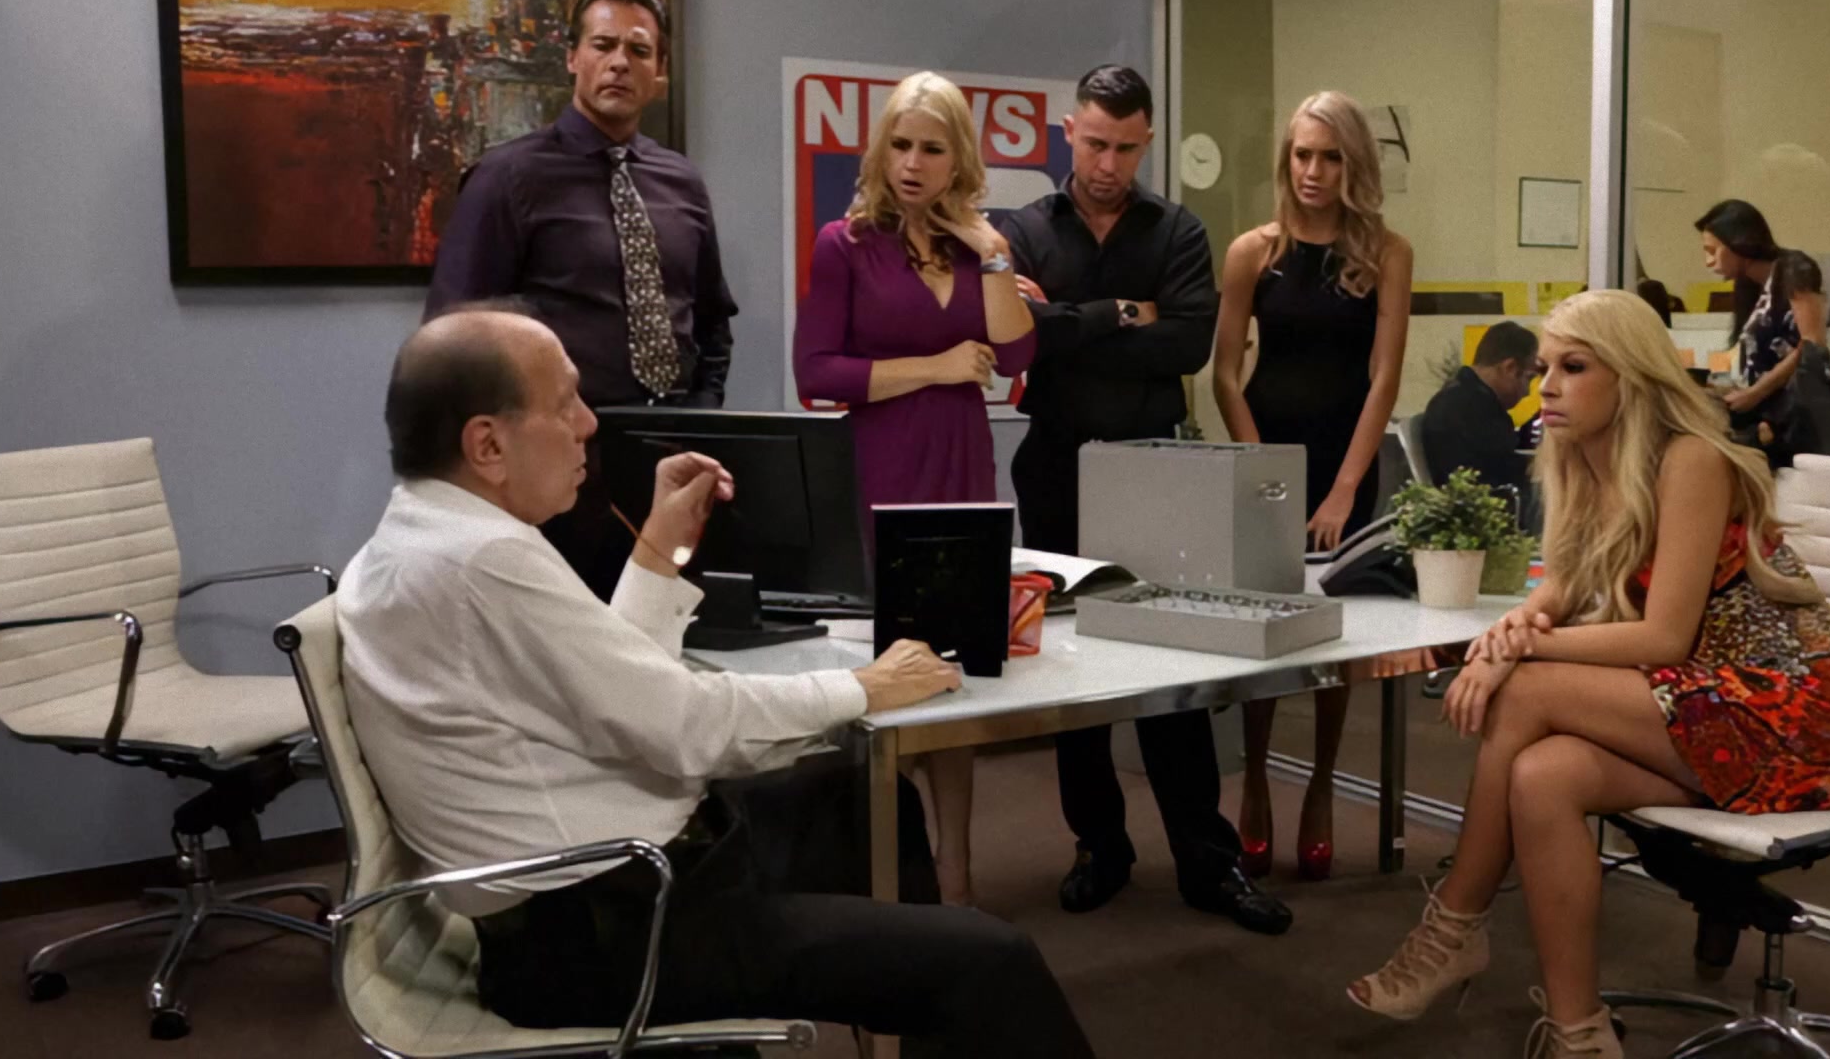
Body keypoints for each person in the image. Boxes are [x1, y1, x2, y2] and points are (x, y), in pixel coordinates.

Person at [338, 305, 1095, 1059]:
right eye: (564, 403)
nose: (587, 425)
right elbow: (685, 727)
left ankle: (906, 1001)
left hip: (600, 893)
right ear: (487, 444)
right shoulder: (481, 561)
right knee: (991, 960)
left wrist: (660, 550)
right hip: (615, 934)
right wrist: (866, 686)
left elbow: (615, 689)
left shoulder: (424, 538)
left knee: (863, 799)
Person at [1348, 289, 1830, 1058]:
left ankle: (1453, 927)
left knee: (1524, 688)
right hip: (1699, 708)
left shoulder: (1690, 460)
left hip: (1788, 714)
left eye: (1575, 367)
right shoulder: (1585, 463)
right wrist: (1517, 627)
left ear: (1631, 376)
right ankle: (1579, 1031)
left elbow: (1662, 637)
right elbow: (1564, 586)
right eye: (1544, 368)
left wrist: (1513, 653)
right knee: (1542, 777)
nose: (1548, 386)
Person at [999, 65, 1288, 934]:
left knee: (1173, 666)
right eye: (1095, 143)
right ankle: (1100, 848)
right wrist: (1126, 314)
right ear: (1068, 131)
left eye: (1126, 148)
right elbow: (1021, 342)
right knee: (1072, 671)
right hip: (1055, 465)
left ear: (1147, 142)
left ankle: (1208, 859)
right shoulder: (1022, 229)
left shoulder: (1179, 231)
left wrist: (1071, 322)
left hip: (1153, 471)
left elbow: (1189, 345)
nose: (1108, 164)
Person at [792, 71, 1036, 907]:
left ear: (957, 159)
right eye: (899, 145)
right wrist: (934, 366)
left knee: (954, 671)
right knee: (885, 674)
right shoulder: (844, 243)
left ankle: (957, 875)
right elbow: (816, 373)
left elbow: (1016, 354)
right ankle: (885, 881)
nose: (912, 163)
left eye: (932, 149)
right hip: (880, 468)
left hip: (963, 467)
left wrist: (991, 250)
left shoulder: (980, 248)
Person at [424, 0, 738, 598]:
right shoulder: (507, 178)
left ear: (659, 71)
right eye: (603, 44)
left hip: (669, 463)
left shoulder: (682, 182)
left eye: (638, 50)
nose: (620, 62)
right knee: (561, 643)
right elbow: (454, 342)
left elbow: (711, 322)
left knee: (667, 633)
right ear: (572, 57)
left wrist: (702, 414)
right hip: (555, 470)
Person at [1210, 91, 1413, 882]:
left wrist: (1343, 489)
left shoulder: (1386, 254)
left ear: (1353, 165)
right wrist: (1264, 474)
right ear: (1285, 159)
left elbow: (1384, 378)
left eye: (1331, 157)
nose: (1314, 171)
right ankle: (1256, 780)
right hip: (1268, 457)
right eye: (1303, 155)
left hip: (1343, 465)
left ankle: (1323, 785)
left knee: (1336, 638)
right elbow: (1225, 374)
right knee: (1265, 630)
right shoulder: (1252, 253)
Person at [1694, 199, 1830, 467]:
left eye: (1713, 251)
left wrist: (1756, 392)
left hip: (1791, 418)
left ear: (1739, 242)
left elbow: (1811, 344)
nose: (1709, 262)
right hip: (1765, 412)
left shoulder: (1794, 270)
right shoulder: (1748, 286)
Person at [1420, 321, 1539, 514]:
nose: (1527, 392)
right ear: (1509, 368)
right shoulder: (1473, 410)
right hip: (1483, 513)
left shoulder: (1460, 399)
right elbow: (1503, 472)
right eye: (1529, 378)